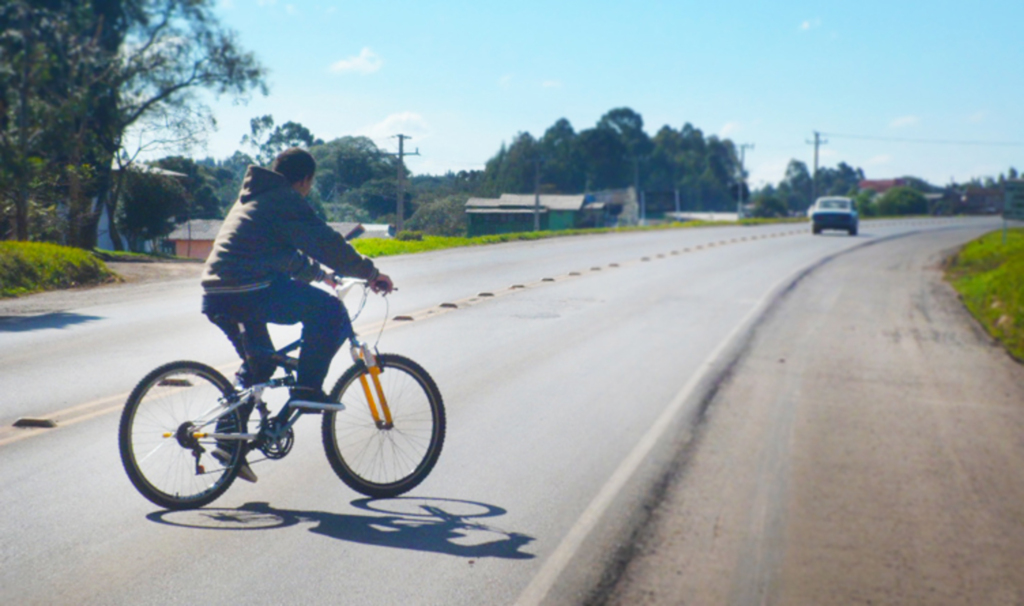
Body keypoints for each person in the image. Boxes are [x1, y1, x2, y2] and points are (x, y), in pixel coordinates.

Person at [201, 148, 392, 480]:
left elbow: (281, 256)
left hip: (219, 295)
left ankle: (228, 442)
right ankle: (307, 390)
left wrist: (322, 276)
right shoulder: (284, 199)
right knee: (330, 311)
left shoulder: (256, 197)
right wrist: (370, 273)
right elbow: (325, 242)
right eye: (309, 184)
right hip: (247, 291)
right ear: (305, 180)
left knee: (261, 363)